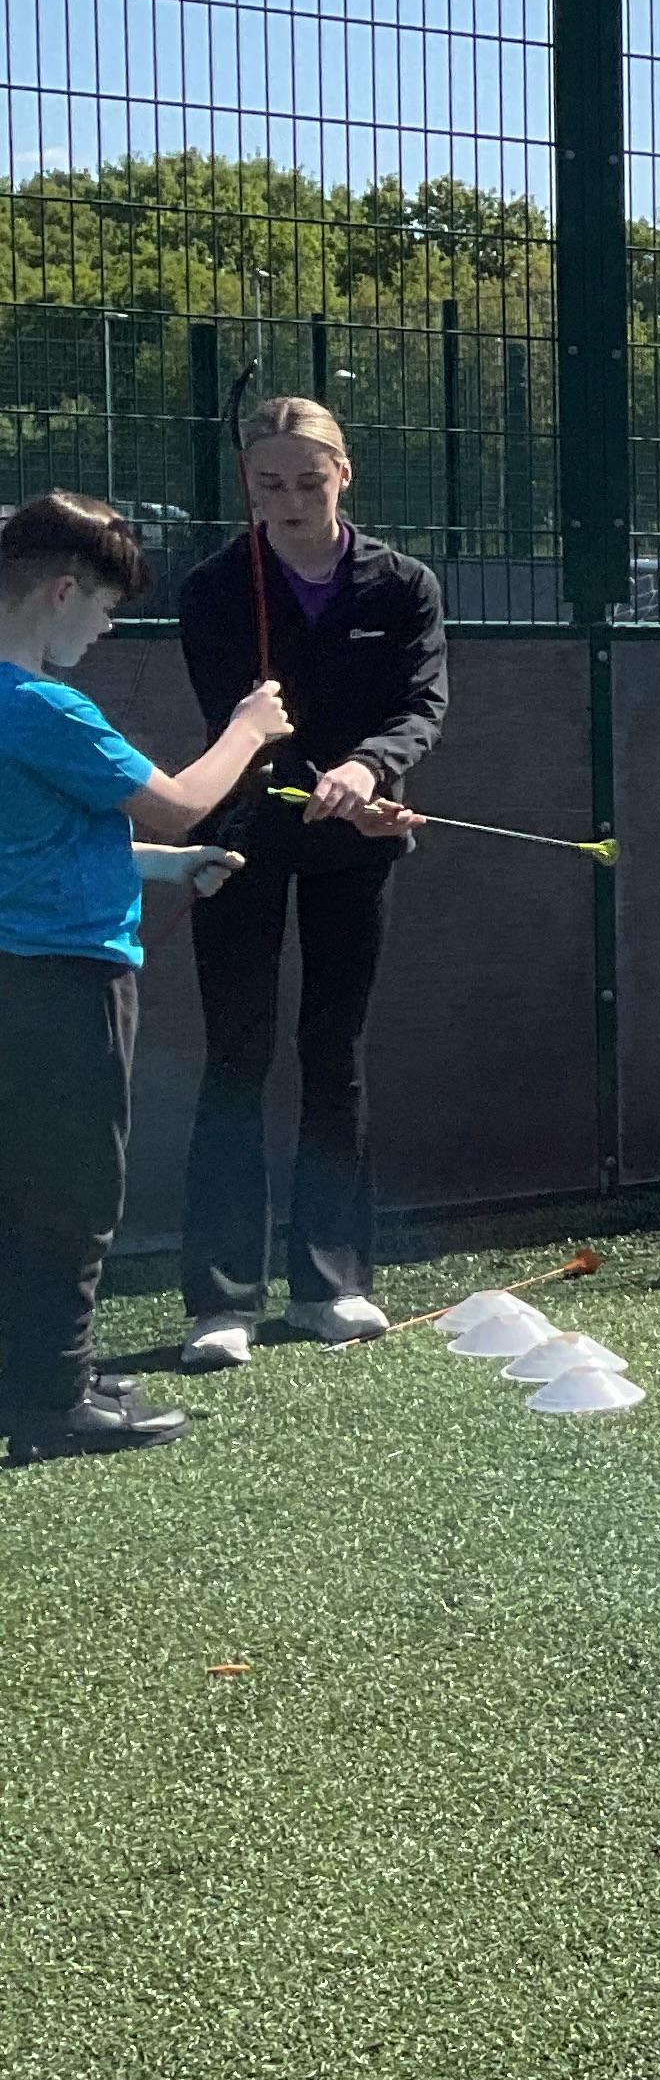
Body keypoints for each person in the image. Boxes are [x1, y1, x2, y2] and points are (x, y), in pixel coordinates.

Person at [1, 491, 292, 1447]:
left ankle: (44, 1372)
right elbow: (176, 801)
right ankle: (51, 1403)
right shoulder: (45, 708)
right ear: (61, 592)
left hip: (19, 976)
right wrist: (249, 727)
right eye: (103, 607)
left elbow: (47, 843)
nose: (105, 628)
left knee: (28, 1179)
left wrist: (169, 870)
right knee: (76, 1190)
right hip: (66, 982)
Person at [172, 397, 446, 1369]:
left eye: (308, 480)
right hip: (244, 835)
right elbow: (237, 729)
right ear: (248, 485)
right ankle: (221, 1303)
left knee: (335, 1049)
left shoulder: (404, 585)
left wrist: (370, 773)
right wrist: (324, 789)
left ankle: (331, 1285)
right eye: (269, 484)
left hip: (358, 843)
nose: (289, 502)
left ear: (344, 475)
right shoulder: (214, 589)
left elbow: (422, 705)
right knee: (237, 1053)